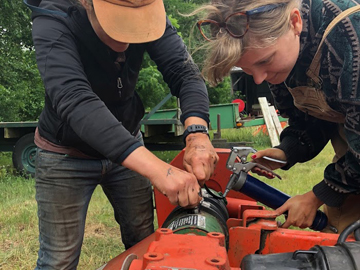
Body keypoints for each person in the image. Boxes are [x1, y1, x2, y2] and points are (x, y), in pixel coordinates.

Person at [24, 0, 219, 268]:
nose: (129, 39)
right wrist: (158, 170)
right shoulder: (54, 16)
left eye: (139, 22)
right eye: (119, 22)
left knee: (145, 242)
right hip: (65, 154)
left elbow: (185, 74)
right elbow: (74, 98)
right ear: (87, 3)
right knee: (58, 259)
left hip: (128, 142)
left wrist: (197, 135)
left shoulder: (151, 12)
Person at [194, 0, 360, 233]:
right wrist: (286, 151)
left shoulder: (350, 35)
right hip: (353, 155)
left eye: (265, 61)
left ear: (295, 22)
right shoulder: (280, 62)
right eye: (249, 69)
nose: (260, 79)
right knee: (343, 234)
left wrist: (314, 198)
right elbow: (312, 121)